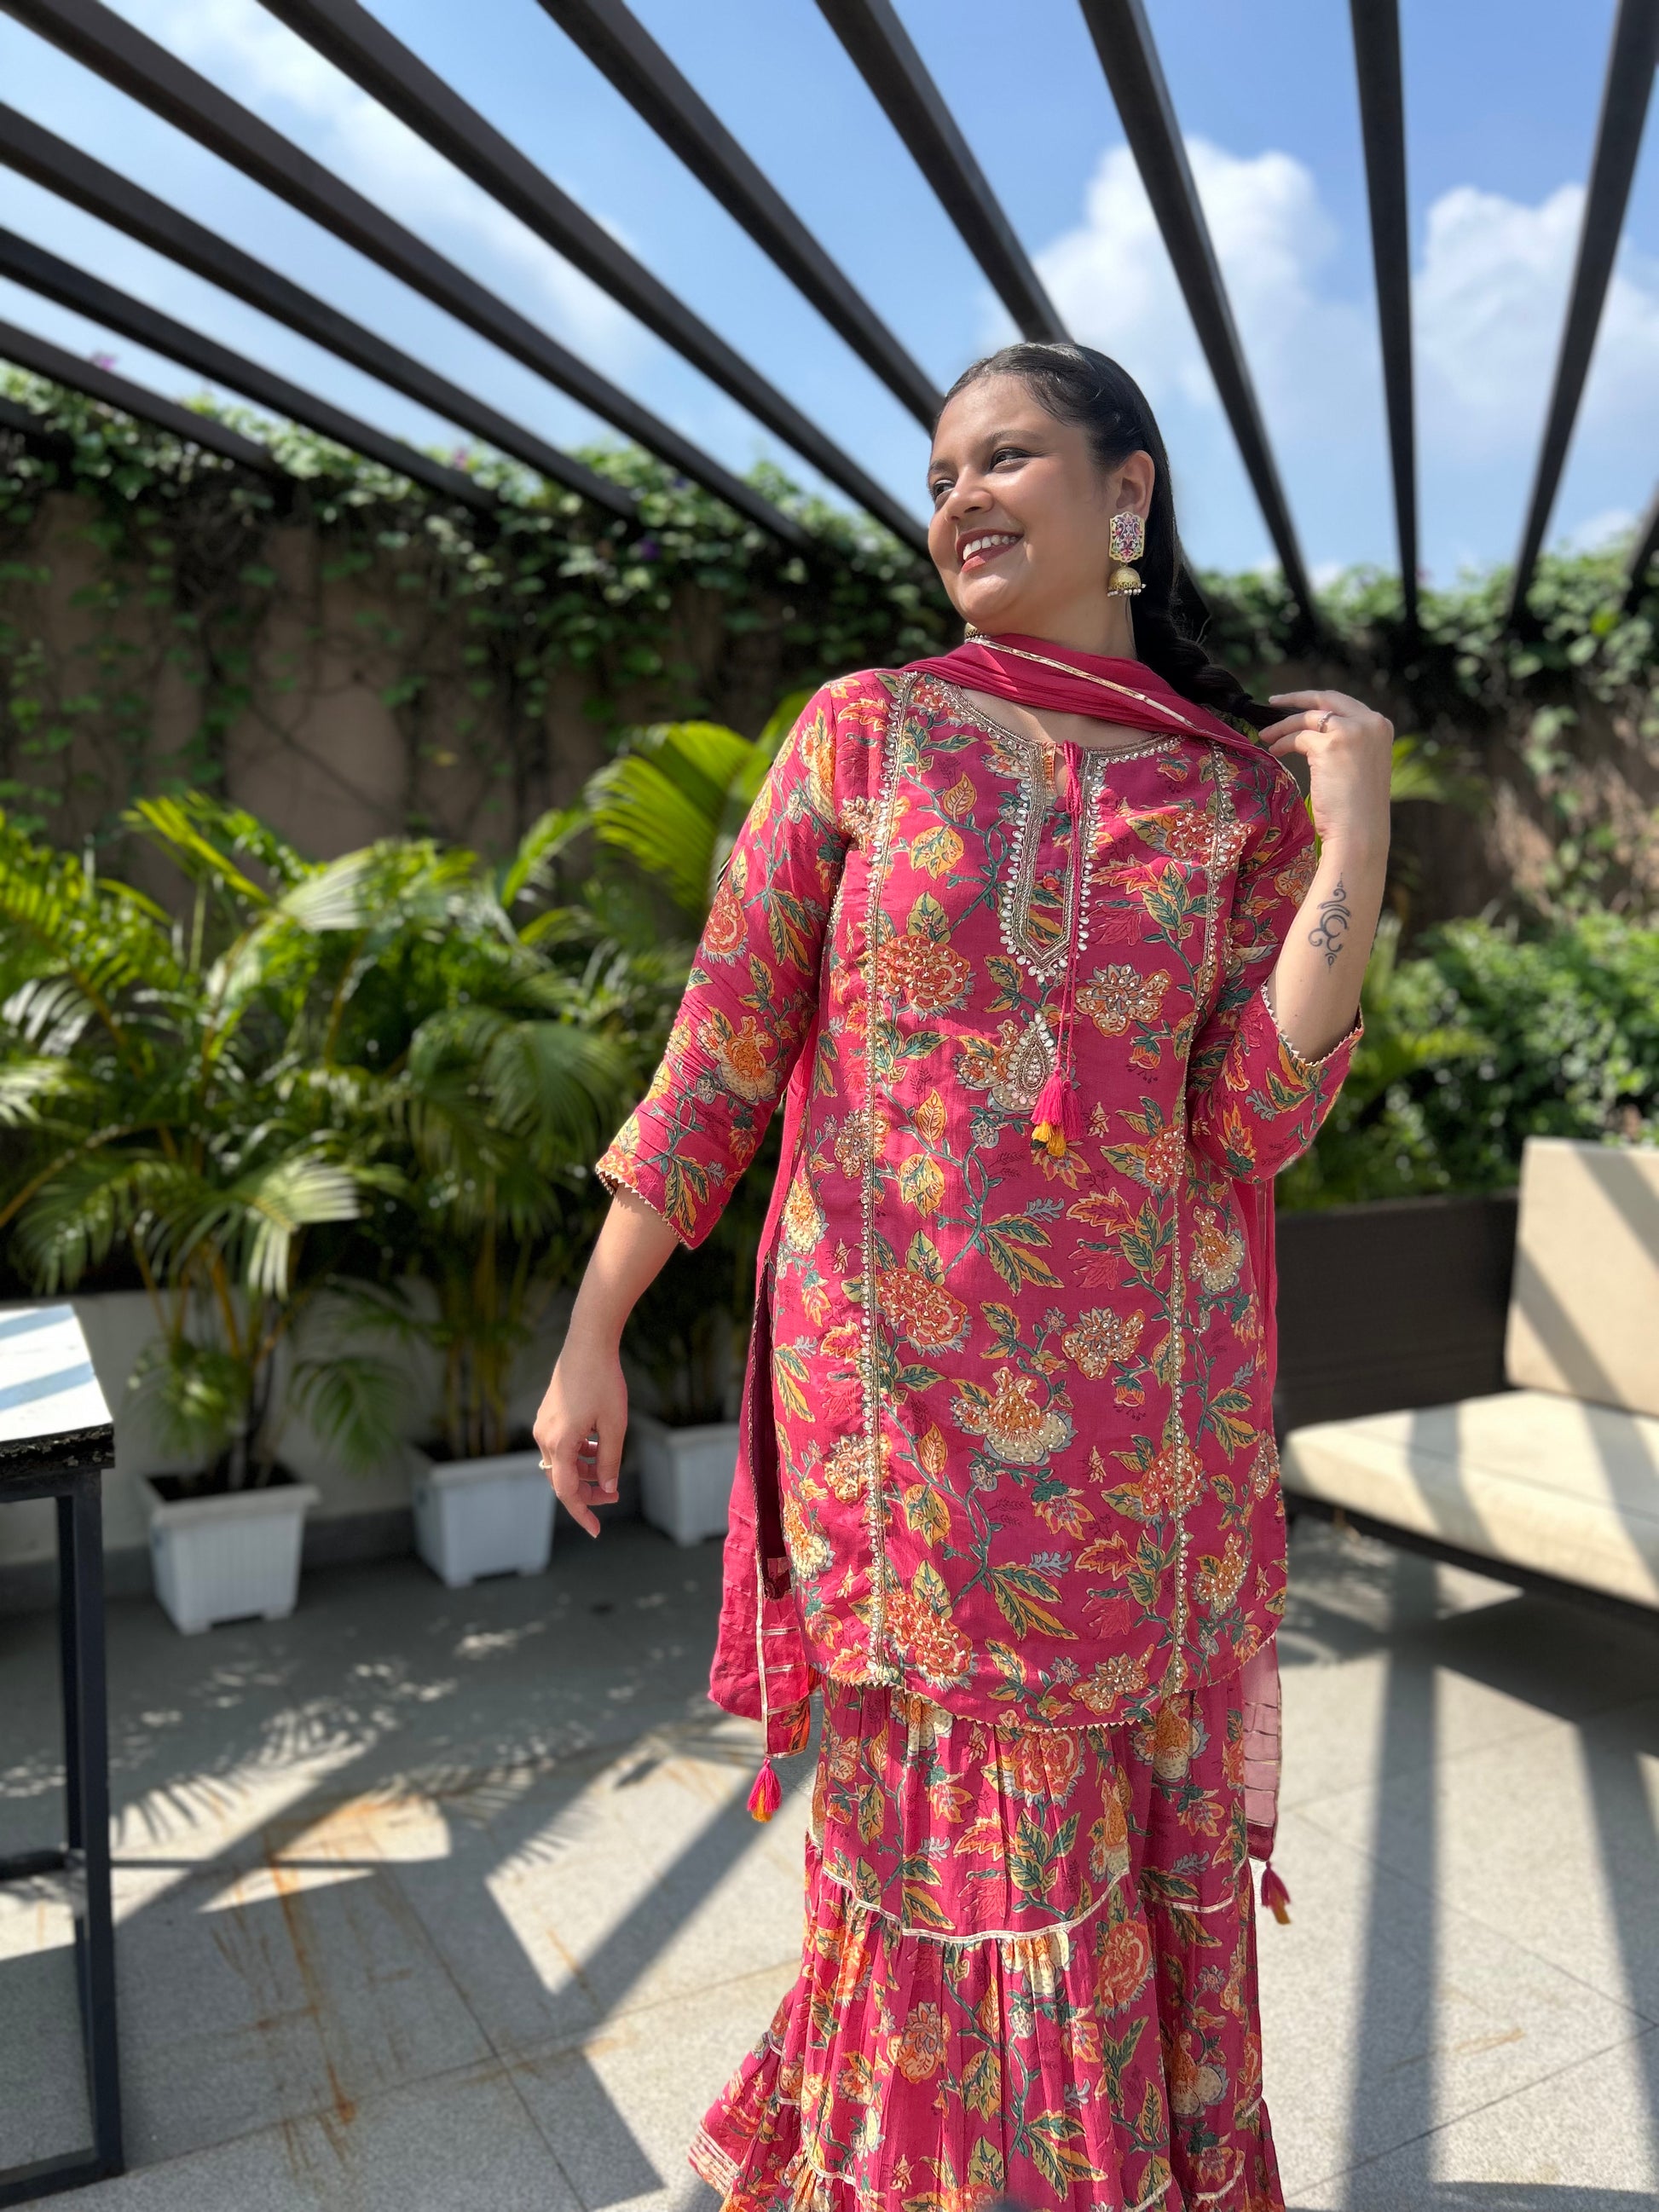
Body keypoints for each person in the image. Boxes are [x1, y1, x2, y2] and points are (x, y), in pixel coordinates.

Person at [534, 342, 1391, 2212]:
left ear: (1127, 493)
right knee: (942, 1862)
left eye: (1004, 458)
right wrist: (593, 1327)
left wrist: (1356, 827)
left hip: (1136, 1450)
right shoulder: (866, 731)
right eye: (938, 477)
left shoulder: (1231, 800)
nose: (960, 501)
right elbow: (721, 1052)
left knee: (1101, 1855)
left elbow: (1253, 1116)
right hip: (900, 1428)